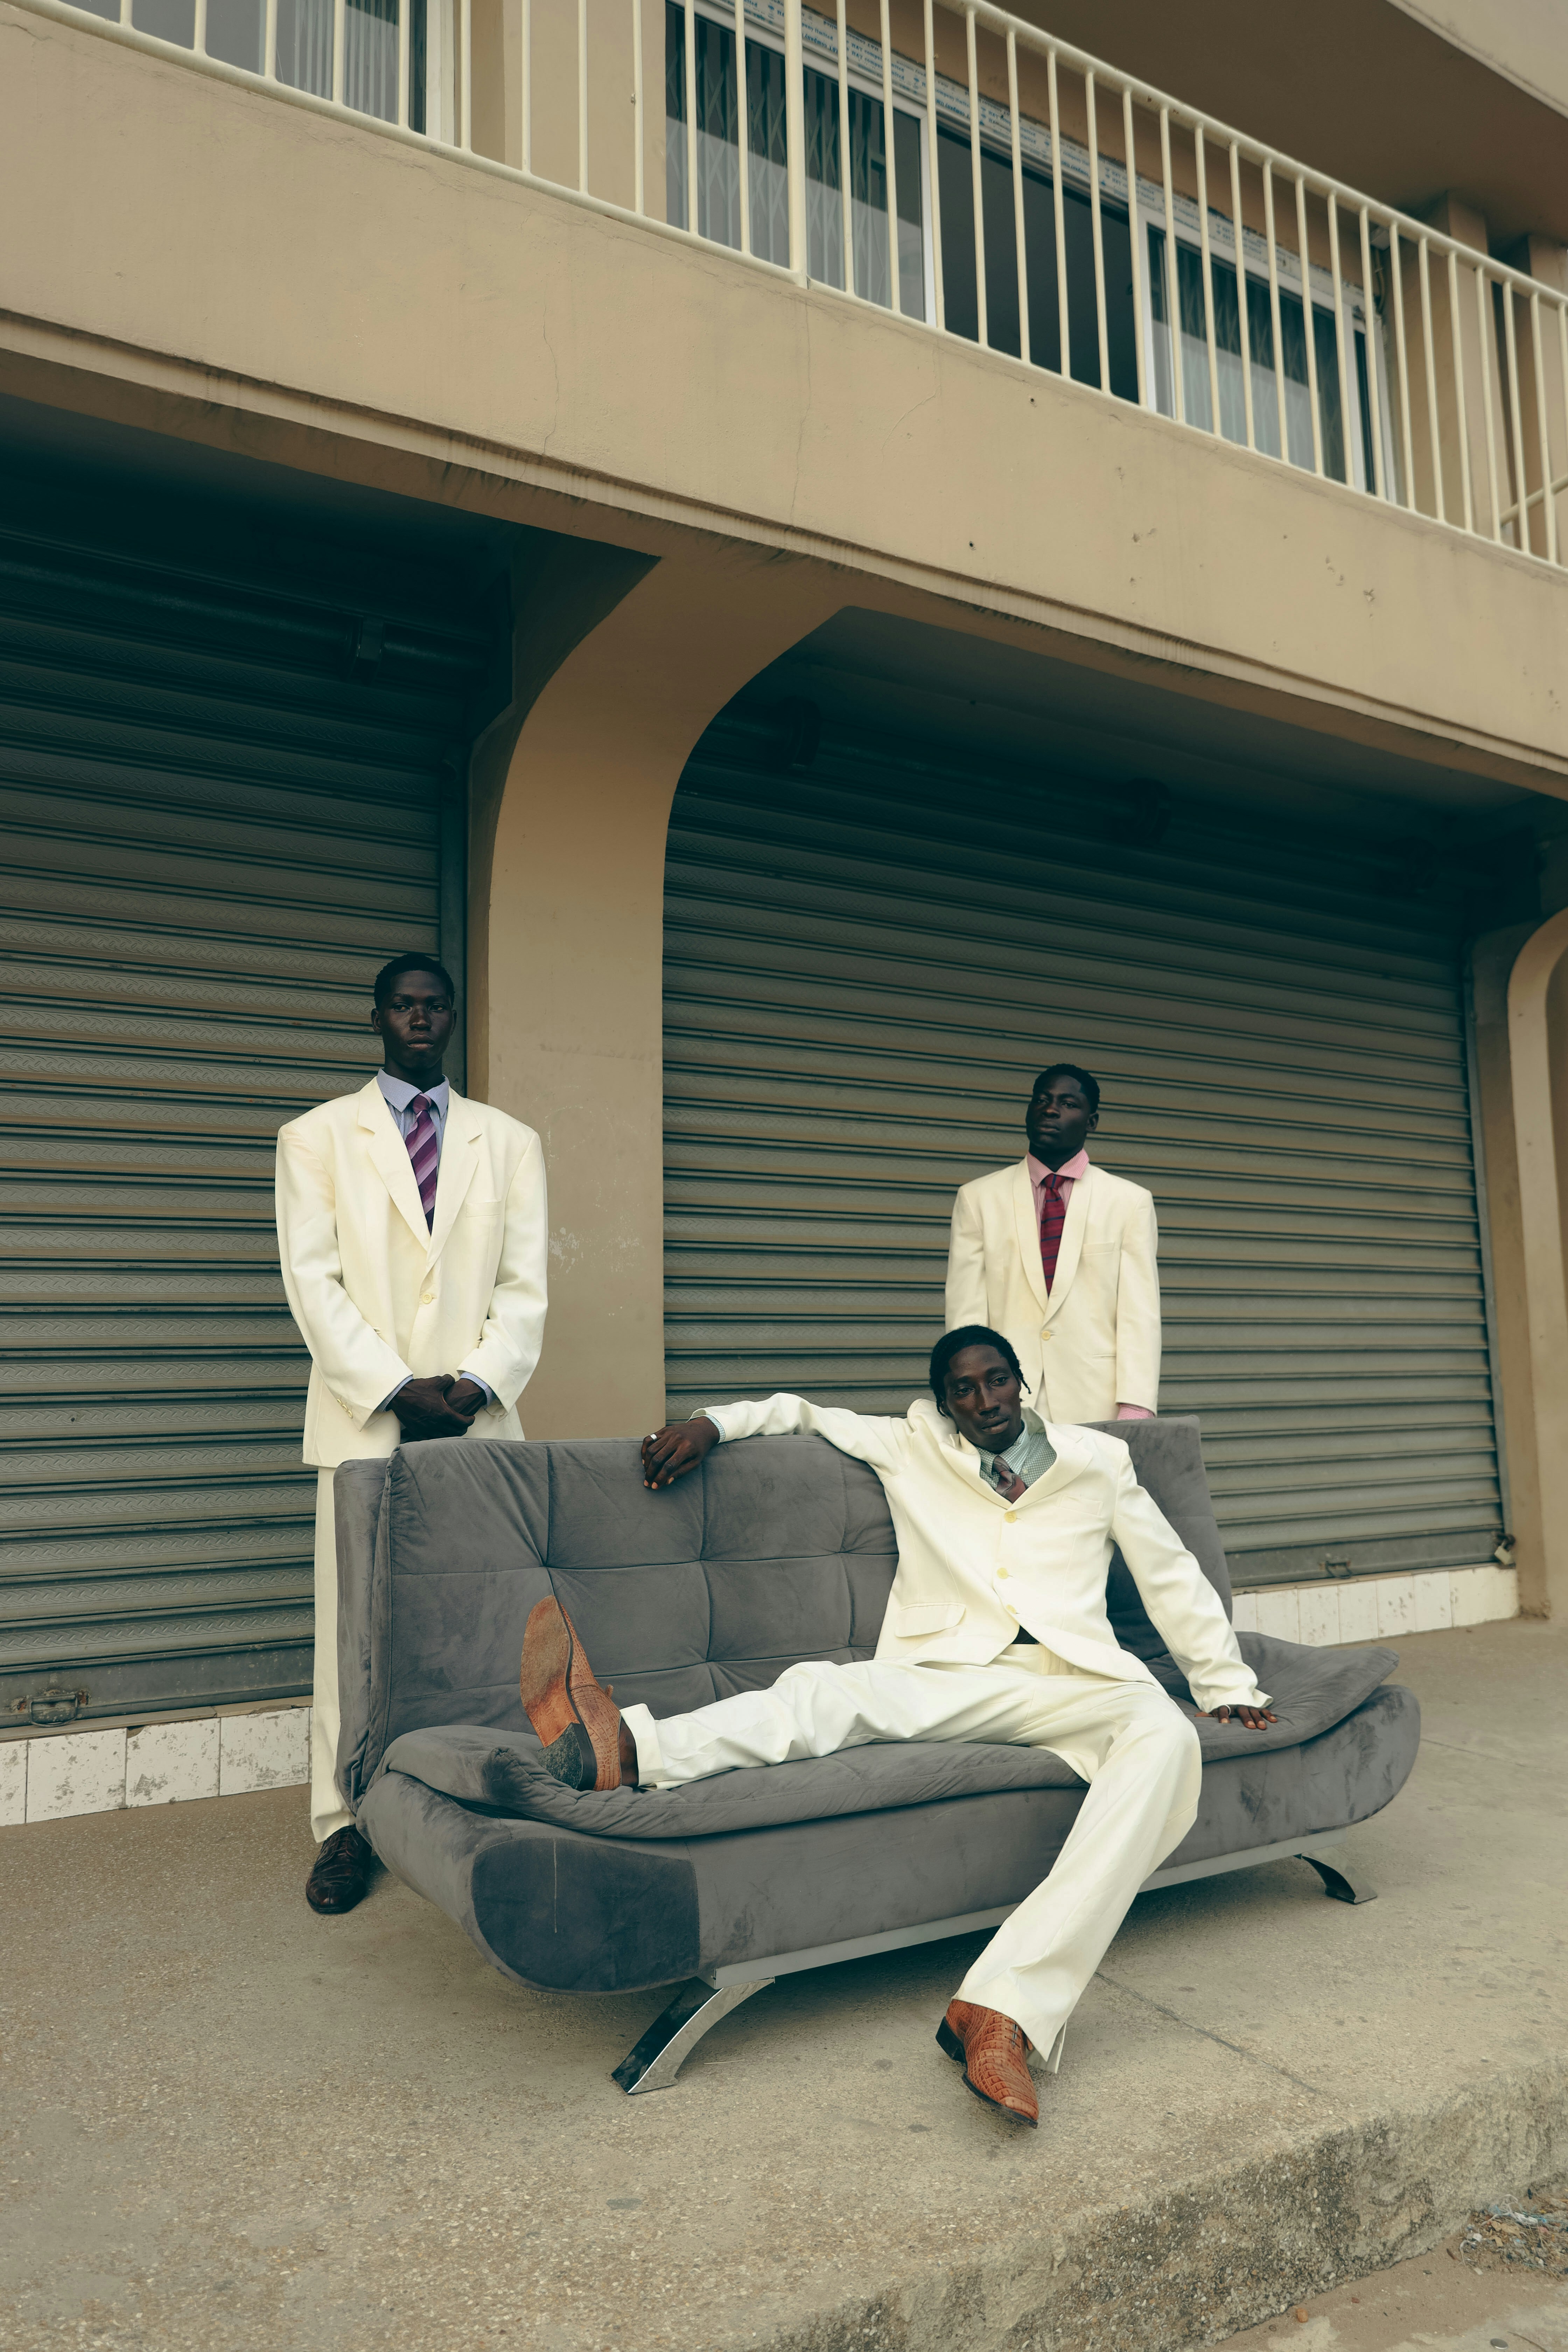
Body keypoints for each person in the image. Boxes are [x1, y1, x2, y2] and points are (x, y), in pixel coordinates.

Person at [519, 1328, 1273, 2127]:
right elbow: (799, 1412)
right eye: (964, 1390)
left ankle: (1002, 2010)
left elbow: (1168, 1570)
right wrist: (712, 1423)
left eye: (997, 1380)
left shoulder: (1098, 1461)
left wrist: (1224, 1681)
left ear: (1021, 1382)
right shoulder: (911, 1446)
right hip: (947, 1672)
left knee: (1166, 1738)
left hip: (1074, 1680)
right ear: (944, 1403)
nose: (985, 1401)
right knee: (825, 1694)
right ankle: (626, 1748)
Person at [276, 952, 547, 1916]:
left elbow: (524, 1286)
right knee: (351, 1633)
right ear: (379, 1018)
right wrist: (398, 1388)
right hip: (366, 1419)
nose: (419, 1017)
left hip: (476, 1419)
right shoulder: (315, 1138)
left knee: (478, 1625)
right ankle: (343, 1823)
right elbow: (313, 1283)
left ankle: (472, 1799)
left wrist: (474, 1383)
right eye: (402, 1005)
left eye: (434, 1005)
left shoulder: (510, 1142)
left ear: (454, 1016)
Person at [944, 1063, 1159, 1423]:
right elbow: (965, 1315)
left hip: (1097, 1399)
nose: (1051, 1110)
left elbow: (1140, 1313)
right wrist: (966, 1398)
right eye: (1042, 1100)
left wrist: (1135, 1406)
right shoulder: (978, 1198)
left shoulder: (1129, 1202)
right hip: (1003, 1401)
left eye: (1068, 1103)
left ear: (1092, 1121)